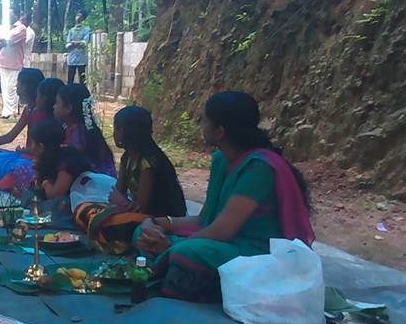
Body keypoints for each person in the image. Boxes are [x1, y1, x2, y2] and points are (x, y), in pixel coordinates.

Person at [134, 91, 314, 303]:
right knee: (141, 232)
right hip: (221, 243)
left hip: (254, 252)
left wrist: (170, 247)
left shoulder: (259, 168)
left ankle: (175, 269)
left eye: (205, 120)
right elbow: (203, 220)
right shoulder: (221, 160)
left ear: (219, 131)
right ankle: (170, 265)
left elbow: (223, 230)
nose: (201, 125)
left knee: (187, 252)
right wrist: (156, 223)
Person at [73, 106, 186, 254]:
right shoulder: (127, 157)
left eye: (118, 129)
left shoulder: (148, 162)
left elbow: (142, 207)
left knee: (110, 224)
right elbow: (118, 193)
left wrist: (122, 203)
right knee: (83, 209)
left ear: (130, 132)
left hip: (155, 218)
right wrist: (118, 204)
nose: (115, 134)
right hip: (131, 210)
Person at [0, 68, 48, 194]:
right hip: (25, 155)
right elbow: (10, 136)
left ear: (27, 86)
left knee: (12, 167)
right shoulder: (29, 109)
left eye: (19, 83)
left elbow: (42, 148)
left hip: (34, 159)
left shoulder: (40, 113)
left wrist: (26, 150)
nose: (16, 86)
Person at [54, 84, 116, 177]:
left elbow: (70, 164)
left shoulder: (78, 134)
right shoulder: (85, 129)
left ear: (68, 108)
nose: (54, 106)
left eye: (57, 102)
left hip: (93, 186)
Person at [30, 118, 92, 202]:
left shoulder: (67, 160)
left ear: (41, 147)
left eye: (32, 143)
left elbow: (55, 195)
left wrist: (45, 183)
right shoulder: (53, 157)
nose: (30, 147)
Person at [0, 10, 27, 119]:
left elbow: (8, 41)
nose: (8, 16)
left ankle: (12, 113)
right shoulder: (6, 28)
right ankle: (6, 112)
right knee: (5, 88)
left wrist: (2, 41)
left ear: (16, 15)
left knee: (12, 88)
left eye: (11, 14)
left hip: (15, 62)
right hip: (3, 61)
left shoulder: (21, 28)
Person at [65, 11, 91, 86]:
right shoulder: (71, 30)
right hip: (72, 58)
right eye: (77, 15)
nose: (78, 17)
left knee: (82, 78)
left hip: (81, 58)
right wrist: (75, 44)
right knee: (70, 78)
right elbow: (67, 44)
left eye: (80, 16)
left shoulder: (86, 29)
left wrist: (74, 43)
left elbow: (85, 42)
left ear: (83, 18)